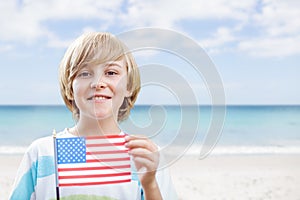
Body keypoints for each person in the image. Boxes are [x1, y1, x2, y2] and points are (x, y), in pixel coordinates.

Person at [9, 32, 177, 199]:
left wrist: (150, 186)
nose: (98, 83)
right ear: (70, 88)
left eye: (111, 73)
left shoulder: (145, 156)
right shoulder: (43, 153)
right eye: (84, 73)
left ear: (129, 86)